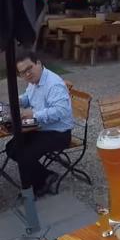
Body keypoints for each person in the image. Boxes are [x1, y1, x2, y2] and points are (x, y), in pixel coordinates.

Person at [6, 51, 73, 197]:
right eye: (23, 72)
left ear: (38, 63)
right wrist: (18, 101)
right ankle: (46, 176)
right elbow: (29, 97)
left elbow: (61, 111)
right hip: (41, 127)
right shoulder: (34, 81)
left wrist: (34, 114)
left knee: (24, 153)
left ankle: (38, 185)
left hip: (59, 133)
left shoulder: (53, 84)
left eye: (29, 68)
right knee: (11, 147)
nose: (27, 74)